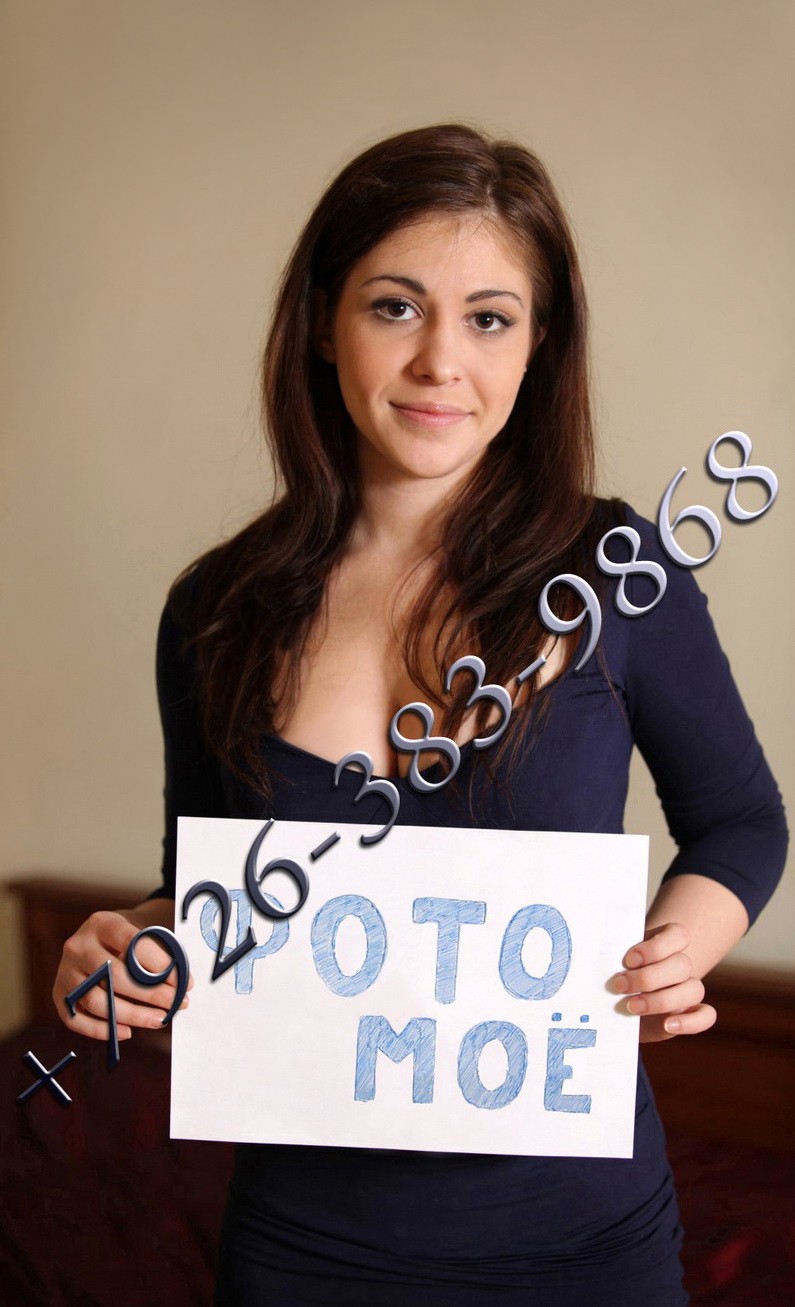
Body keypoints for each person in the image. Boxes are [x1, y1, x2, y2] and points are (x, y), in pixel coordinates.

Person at [53, 123, 788, 1305]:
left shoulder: (618, 572)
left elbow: (743, 821)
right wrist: (133, 945)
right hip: (304, 1245)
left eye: (490, 318)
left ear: (539, 346)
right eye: (395, 306)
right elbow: (212, 891)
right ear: (322, 323)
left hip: (583, 1243)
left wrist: (675, 951)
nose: (442, 359)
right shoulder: (215, 607)